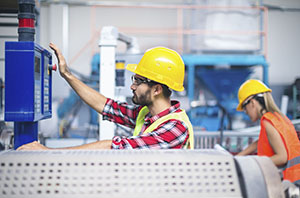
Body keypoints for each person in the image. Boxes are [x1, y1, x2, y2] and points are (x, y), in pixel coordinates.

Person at [17, 43, 194, 150]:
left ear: (156, 89)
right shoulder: (146, 115)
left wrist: (47, 152)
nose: (132, 86)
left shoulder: (175, 128)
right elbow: (108, 107)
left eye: (138, 81)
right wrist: (67, 75)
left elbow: (116, 146)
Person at [236, 79, 300, 184]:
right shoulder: (278, 117)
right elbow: (263, 140)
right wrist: (240, 155)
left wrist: (256, 164)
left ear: (252, 102)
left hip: (290, 183)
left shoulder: (268, 122)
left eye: (244, 107)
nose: (245, 112)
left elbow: (282, 157)